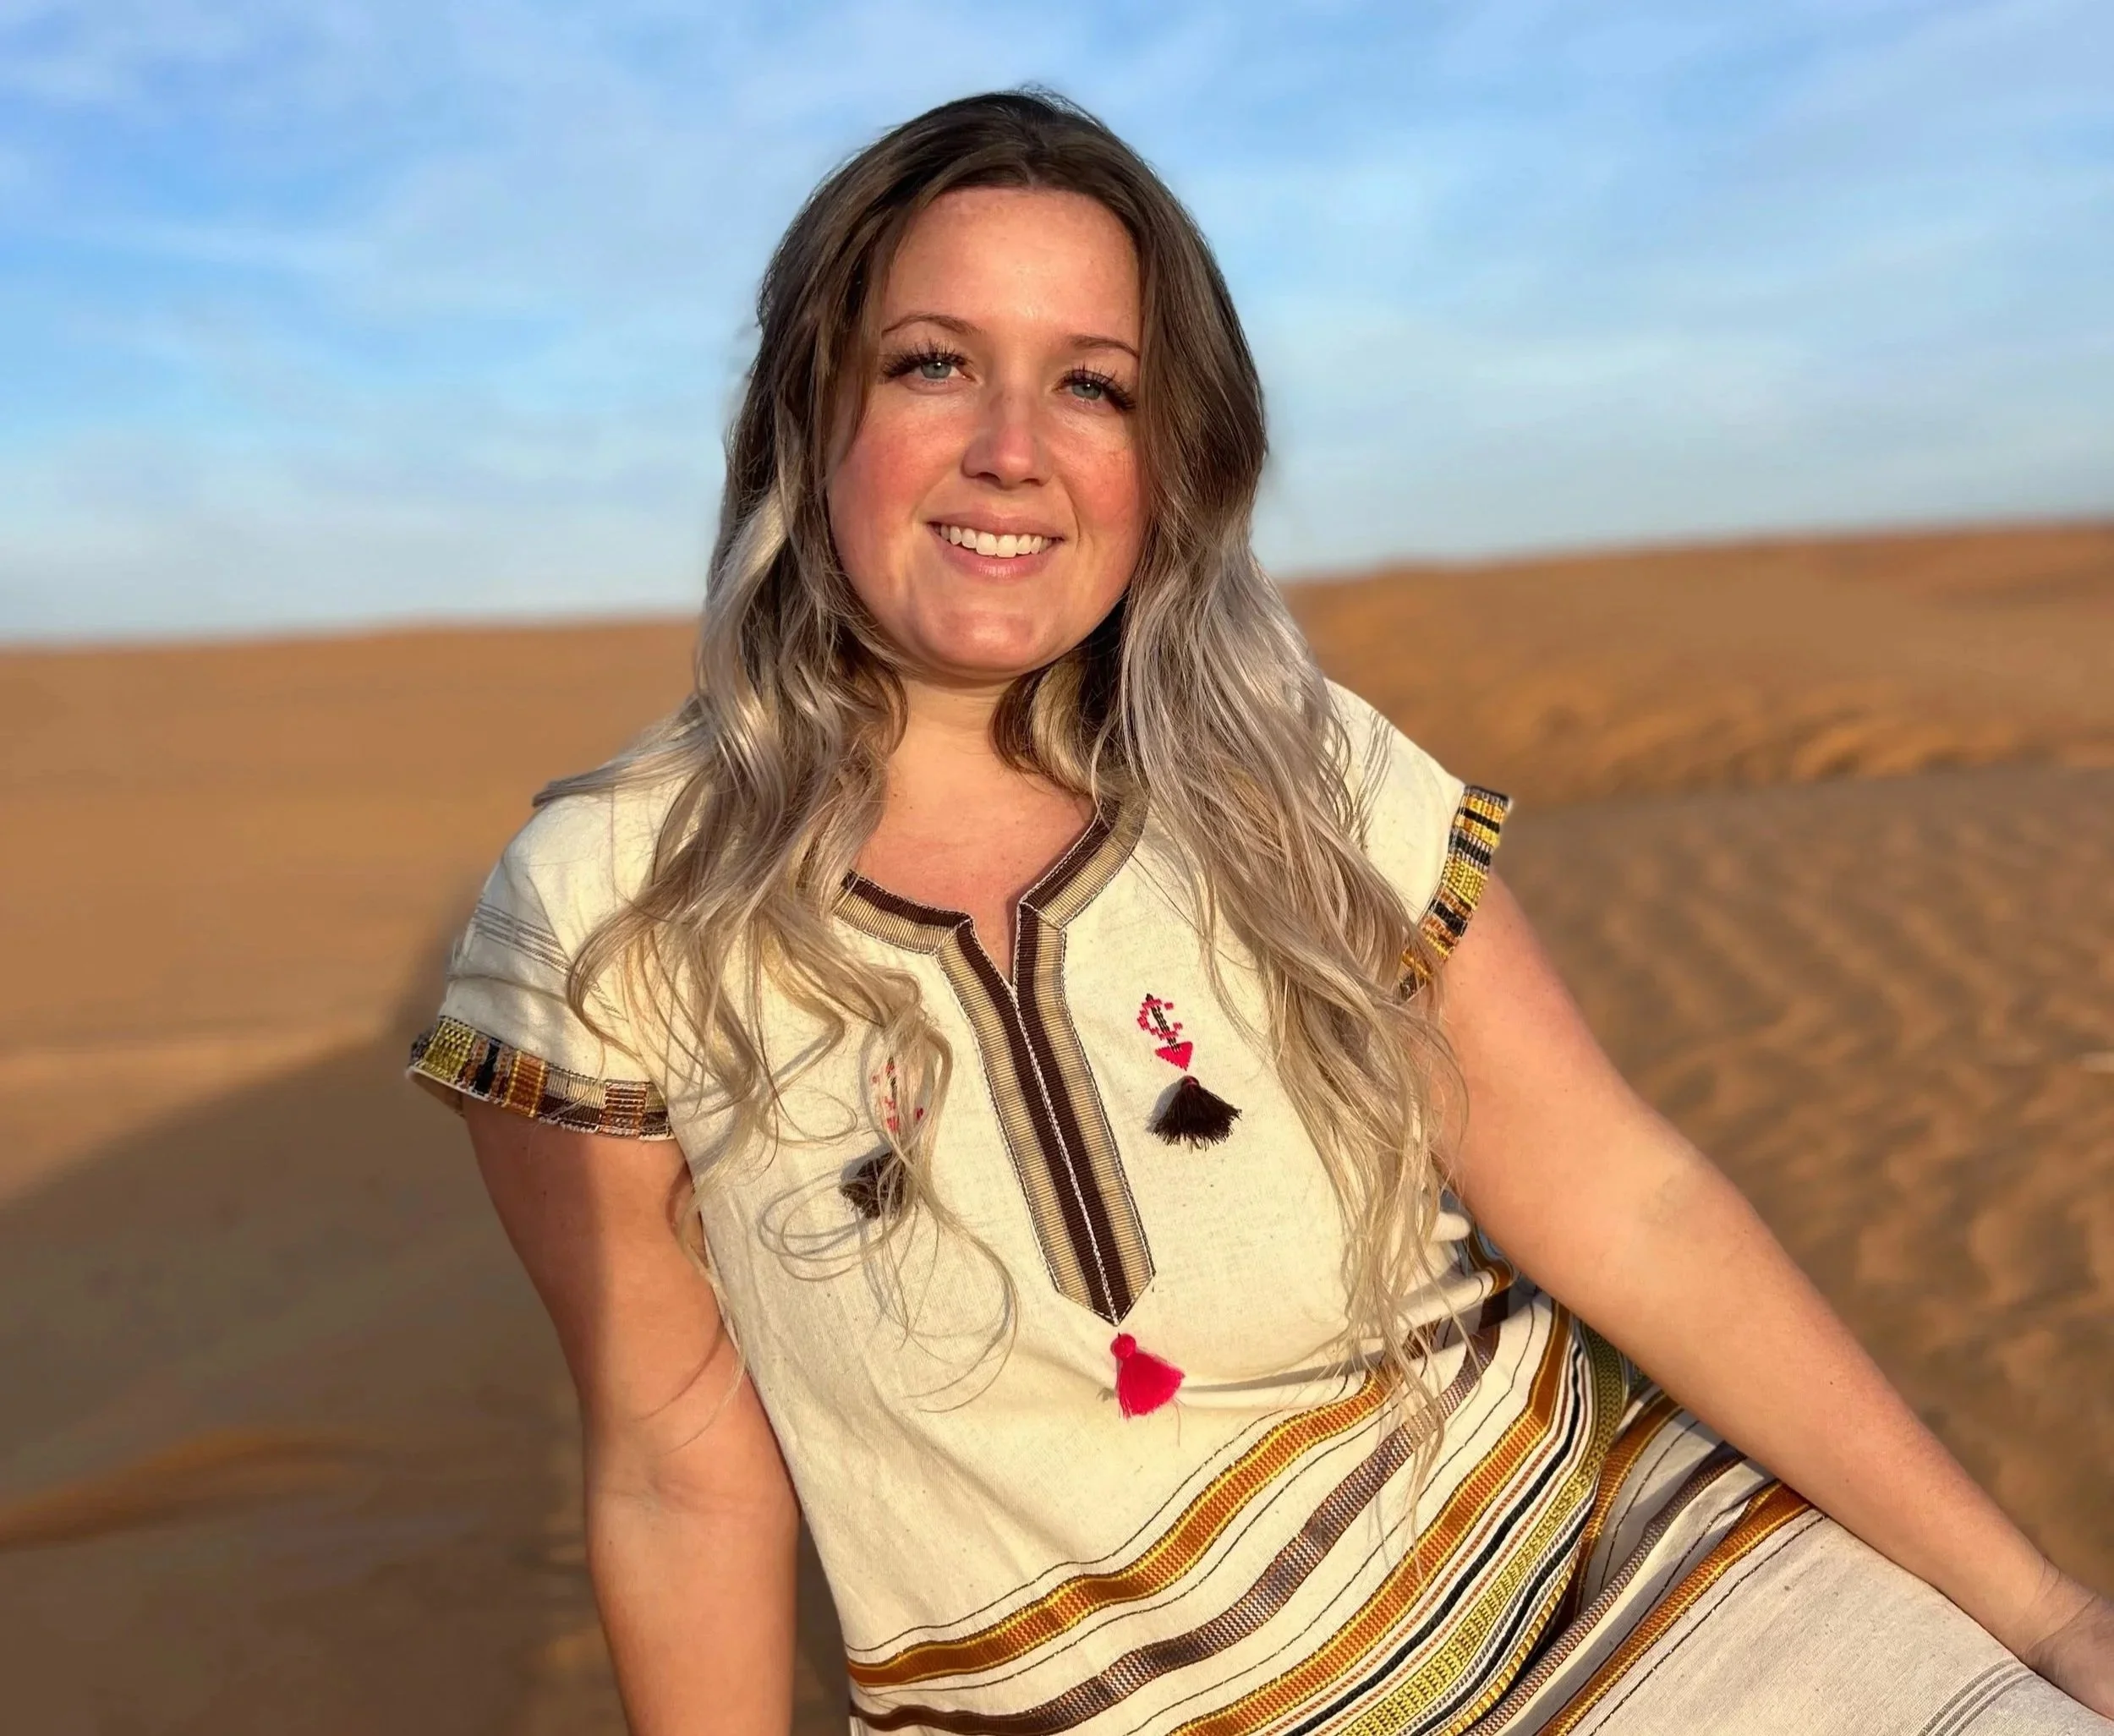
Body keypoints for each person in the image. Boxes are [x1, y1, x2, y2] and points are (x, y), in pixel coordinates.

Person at [407, 90, 2113, 1736]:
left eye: (1092, 386)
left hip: (1650, 1606)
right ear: (806, 416)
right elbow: (675, 1474)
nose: (1011, 451)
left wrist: (2040, 1617)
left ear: (1173, 456)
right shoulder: (612, 906)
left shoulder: (1292, 769)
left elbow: (1623, 1198)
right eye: (933, 364)